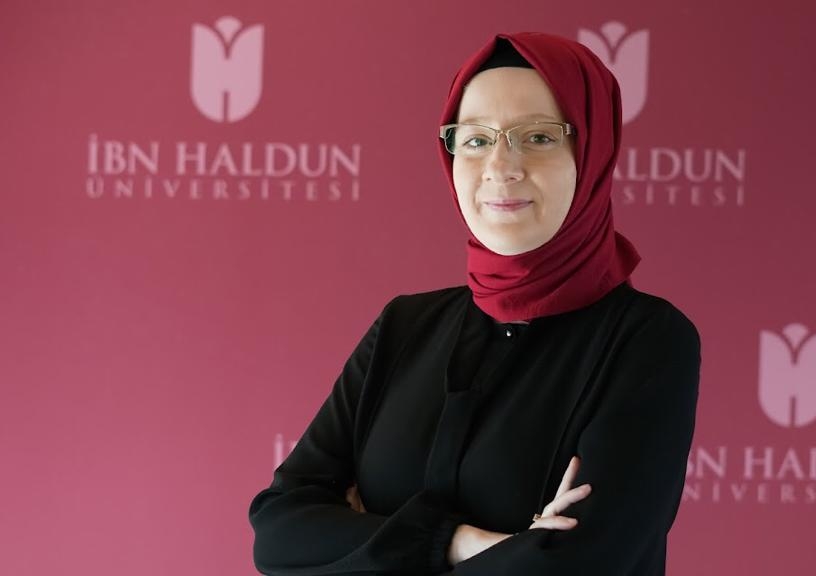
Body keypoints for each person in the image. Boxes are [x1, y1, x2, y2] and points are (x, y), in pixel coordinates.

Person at [249, 31, 700, 575]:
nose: (500, 166)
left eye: (538, 137)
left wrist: (363, 543)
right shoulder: (404, 326)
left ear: (592, 153)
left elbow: (581, 565)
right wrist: (465, 544)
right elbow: (278, 532)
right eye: (476, 139)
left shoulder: (647, 341)